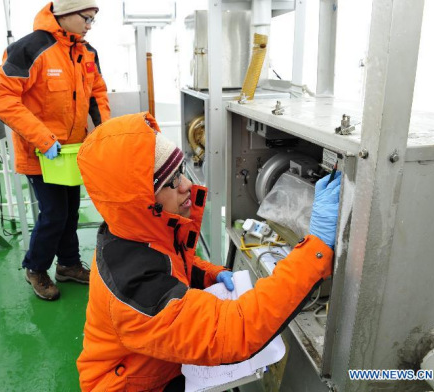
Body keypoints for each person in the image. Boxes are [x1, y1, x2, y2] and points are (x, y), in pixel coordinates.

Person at [75, 112, 341, 391]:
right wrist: (316, 249)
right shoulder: (134, 286)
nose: (187, 185)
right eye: (172, 180)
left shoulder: (130, 232)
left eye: (181, 171)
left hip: (150, 367)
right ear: (142, 200)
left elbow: (168, 265)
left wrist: (208, 276)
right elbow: (236, 331)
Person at [0, 0, 110, 301]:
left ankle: (67, 265)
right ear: (65, 14)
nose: (90, 26)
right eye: (87, 18)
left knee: (69, 212)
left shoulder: (87, 52)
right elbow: (1, 96)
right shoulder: (30, 48)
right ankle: (36, 268)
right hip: (41, 154)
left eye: (94, 19)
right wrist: (42, 138)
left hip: (70, 155)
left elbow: (97, 93)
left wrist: (105, 131)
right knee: (54, 213)